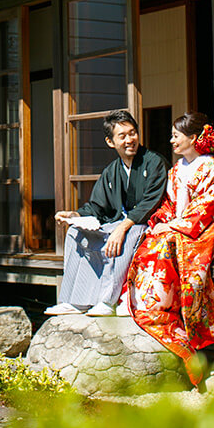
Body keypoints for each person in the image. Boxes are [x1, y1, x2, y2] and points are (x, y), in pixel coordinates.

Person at [126, 112, 214, 387]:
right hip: (177, 226)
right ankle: (150, 305)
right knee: (149, 243)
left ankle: (162, 307)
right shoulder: (177, 169)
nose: (171, 141)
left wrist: (174, 227)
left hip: (200, 230)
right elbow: (169, 204)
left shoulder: (211, 167)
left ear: (193, 138)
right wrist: (162, 221)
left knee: (166, 246)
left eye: (176, 136)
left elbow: (206, 207)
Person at [45, 110, 167, 317]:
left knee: (125, 236)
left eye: (133, 133)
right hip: (120, 222)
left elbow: (150, 203)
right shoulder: (112, 171)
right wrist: (74, 215)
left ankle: (107, 300)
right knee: (75, 233)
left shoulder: (154, 162)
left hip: (145, 223)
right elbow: (98, 207)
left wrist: (122, 227)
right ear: (111, 142)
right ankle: (73, 301)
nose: (130, 139)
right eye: (123, 136)